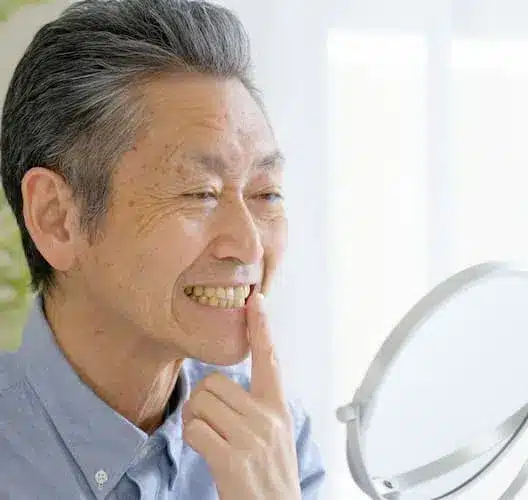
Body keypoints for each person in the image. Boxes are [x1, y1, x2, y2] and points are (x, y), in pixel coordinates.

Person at [0, 0, 326, 498]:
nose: (248, 245)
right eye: (201, 193)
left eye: (267, 194)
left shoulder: (275, 438)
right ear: (57, 218)